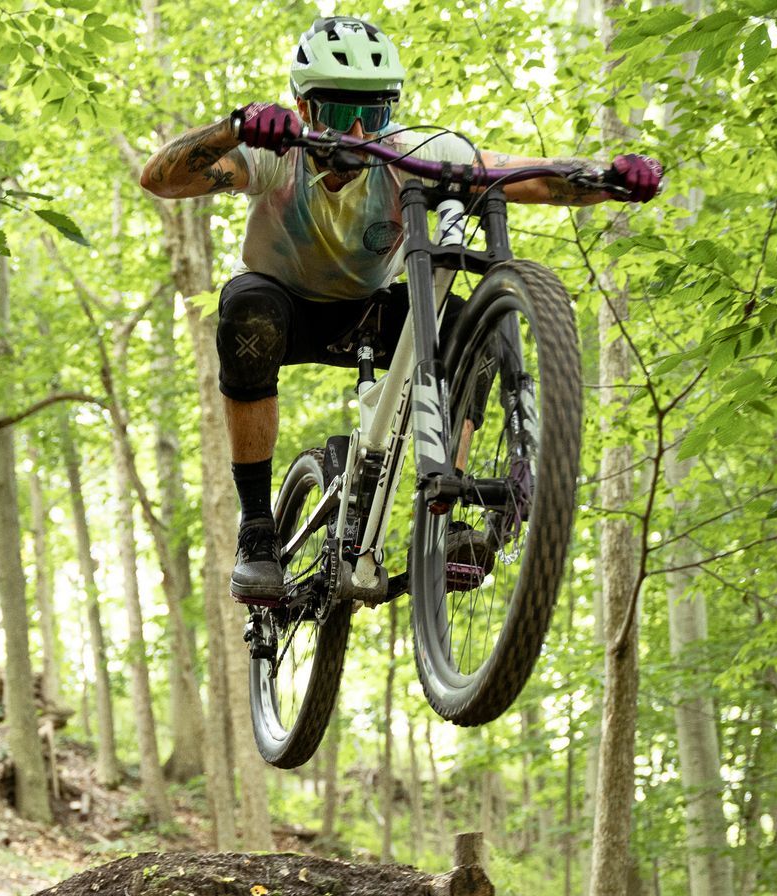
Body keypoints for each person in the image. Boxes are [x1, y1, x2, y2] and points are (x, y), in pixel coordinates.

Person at [138, 15, 662, 605]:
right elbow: (161, 179)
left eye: (376, 112)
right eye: (341, 113)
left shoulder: (411, 153)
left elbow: (524, 177)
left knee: (471, 329)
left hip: (371, 313)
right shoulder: (276, 154)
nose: (360, 130)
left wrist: (607, 180)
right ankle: (258, 529)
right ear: (305, 108)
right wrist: (234, 128)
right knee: (248, 310)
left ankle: (448, 513)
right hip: (284, 308)